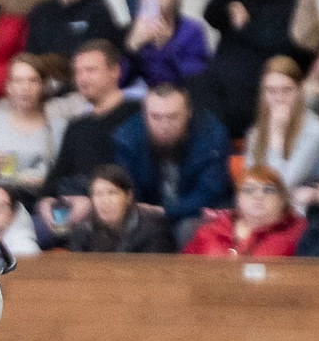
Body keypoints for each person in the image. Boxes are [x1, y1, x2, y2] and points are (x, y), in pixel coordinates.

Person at [200, 0, 308, 133]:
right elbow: (211, 15)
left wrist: (244, 26)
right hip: (219, 85)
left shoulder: (297, 5)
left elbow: (285, 45)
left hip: (261, 88)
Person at [109, 79, 232, 245]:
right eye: (156, 117)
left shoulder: (213, 135)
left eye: (173, 117)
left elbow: (209, 193)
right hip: (146, 213)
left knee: (187, 229)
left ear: (188, 112)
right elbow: (127, 189)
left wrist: (164, 211)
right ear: (144, 115)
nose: (164, 125)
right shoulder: (126, 137)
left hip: (199, 212)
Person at [48, 39, 141, 198]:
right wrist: (46, 202)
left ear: (115, 71)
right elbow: (54, 180)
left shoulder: (138, 114)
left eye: (90, 70)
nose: (82, 78)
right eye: (78, 72)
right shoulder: (77, 127)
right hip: (73, 208)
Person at [241, 58, 319, 203]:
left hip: (305, 213)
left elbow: (282, 183)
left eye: (286, 90)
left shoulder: (316, 132)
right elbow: (250, 184)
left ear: (299, 91)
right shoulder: (256, 132)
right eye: (271, 91)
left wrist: (277, 133)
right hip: (265, 209)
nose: (279, 98)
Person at [0, 55, 68, 191]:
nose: (25, 87)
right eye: (18, 81)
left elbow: (63, 175)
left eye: (33, 80)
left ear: (42, 86)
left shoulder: (57, 127)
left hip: (37, 205)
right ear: (8, 87)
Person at [119, 0, 210, 94]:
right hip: (139, 101)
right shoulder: (131, 30)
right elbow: (118, 83)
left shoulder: (192, 31)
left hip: (179, 100)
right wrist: (131, 48)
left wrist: (166, 47)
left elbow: (196, 82)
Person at [183, 166, 301, 259]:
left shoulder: (300, 232)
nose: (258, 195)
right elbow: (182, 271)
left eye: (268, 190)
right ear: (238, 199)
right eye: (249, 190)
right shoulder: (211, 231)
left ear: (282, 199)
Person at [67, 164, 172, 253]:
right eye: (98, 194)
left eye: (112, 193)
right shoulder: (82, 232)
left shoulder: (152, 231)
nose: (105, 201)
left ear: (128, 197)